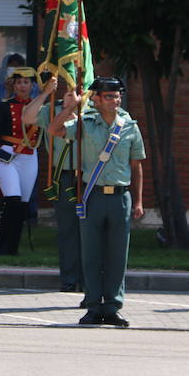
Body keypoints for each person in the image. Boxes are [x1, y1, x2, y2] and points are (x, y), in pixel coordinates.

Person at [49, 77, 145, 327]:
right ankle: (93, 306)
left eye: (117, 96)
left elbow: (137, 166)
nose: (115, 100)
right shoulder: (85, 123)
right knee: (91, 253)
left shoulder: (129, 126)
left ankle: (112, 306)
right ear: (97, 99)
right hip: (93, 196)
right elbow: (54, 130)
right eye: (109, 96)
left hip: (120, 196)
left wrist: (138, 201)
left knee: (117, 255)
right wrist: (71, 108)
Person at [22, 77, 83, 293]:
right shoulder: (51, 109)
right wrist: (46, 93)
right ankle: (69, 277)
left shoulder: (92, 111)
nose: (72, 89)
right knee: (67, 228)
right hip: (64, 176)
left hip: (90, 177)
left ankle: (89, 277)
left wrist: (79, 105)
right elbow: (27, 117)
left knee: (89, 230)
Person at [0, 67, 41, 255]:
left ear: (32, 85)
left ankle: (13, 248)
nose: (22, 86)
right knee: (12, 199)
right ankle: (2, 246)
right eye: (19, 82)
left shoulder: (39, 106)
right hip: (8, 156)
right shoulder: (3, 106)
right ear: (13, 85)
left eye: (26, 82)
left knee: (22, 205)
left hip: (29, 157)